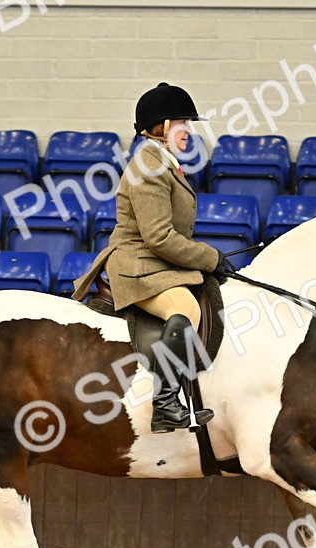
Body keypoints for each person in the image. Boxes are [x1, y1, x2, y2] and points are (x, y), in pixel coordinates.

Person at [73, 82, 227, 433]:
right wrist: (209, 257)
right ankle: (166, 403)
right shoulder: (149, 164)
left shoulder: (163, 161)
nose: (190, 131)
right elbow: (159, 237)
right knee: (185, 308)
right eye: (183, 123)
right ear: (162, 126)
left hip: (157, 263)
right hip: (139, 266)